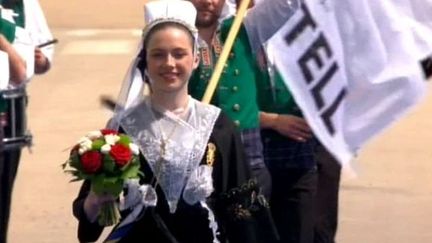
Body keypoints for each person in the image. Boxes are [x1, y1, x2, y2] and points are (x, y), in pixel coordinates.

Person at [73, 1, 275, 242]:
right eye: (158, 54)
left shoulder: (218, 126)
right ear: (145, 60)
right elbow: (90, 229)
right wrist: (96, 200)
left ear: (196, 58)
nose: (169, 63)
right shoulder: (122, 130)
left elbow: (244, 215)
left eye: (179, 54)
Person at [187, 0, 301, 199]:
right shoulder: (170, 38)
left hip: (249, 158)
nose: (207, 1)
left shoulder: (245, 28)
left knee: (253, 227)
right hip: (198, 159)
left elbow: (288, 4)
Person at [0, 1, 54, 242]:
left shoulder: (24, 3)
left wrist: (38, 58)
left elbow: (40, 60)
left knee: (2, 196)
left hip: (10, 113)